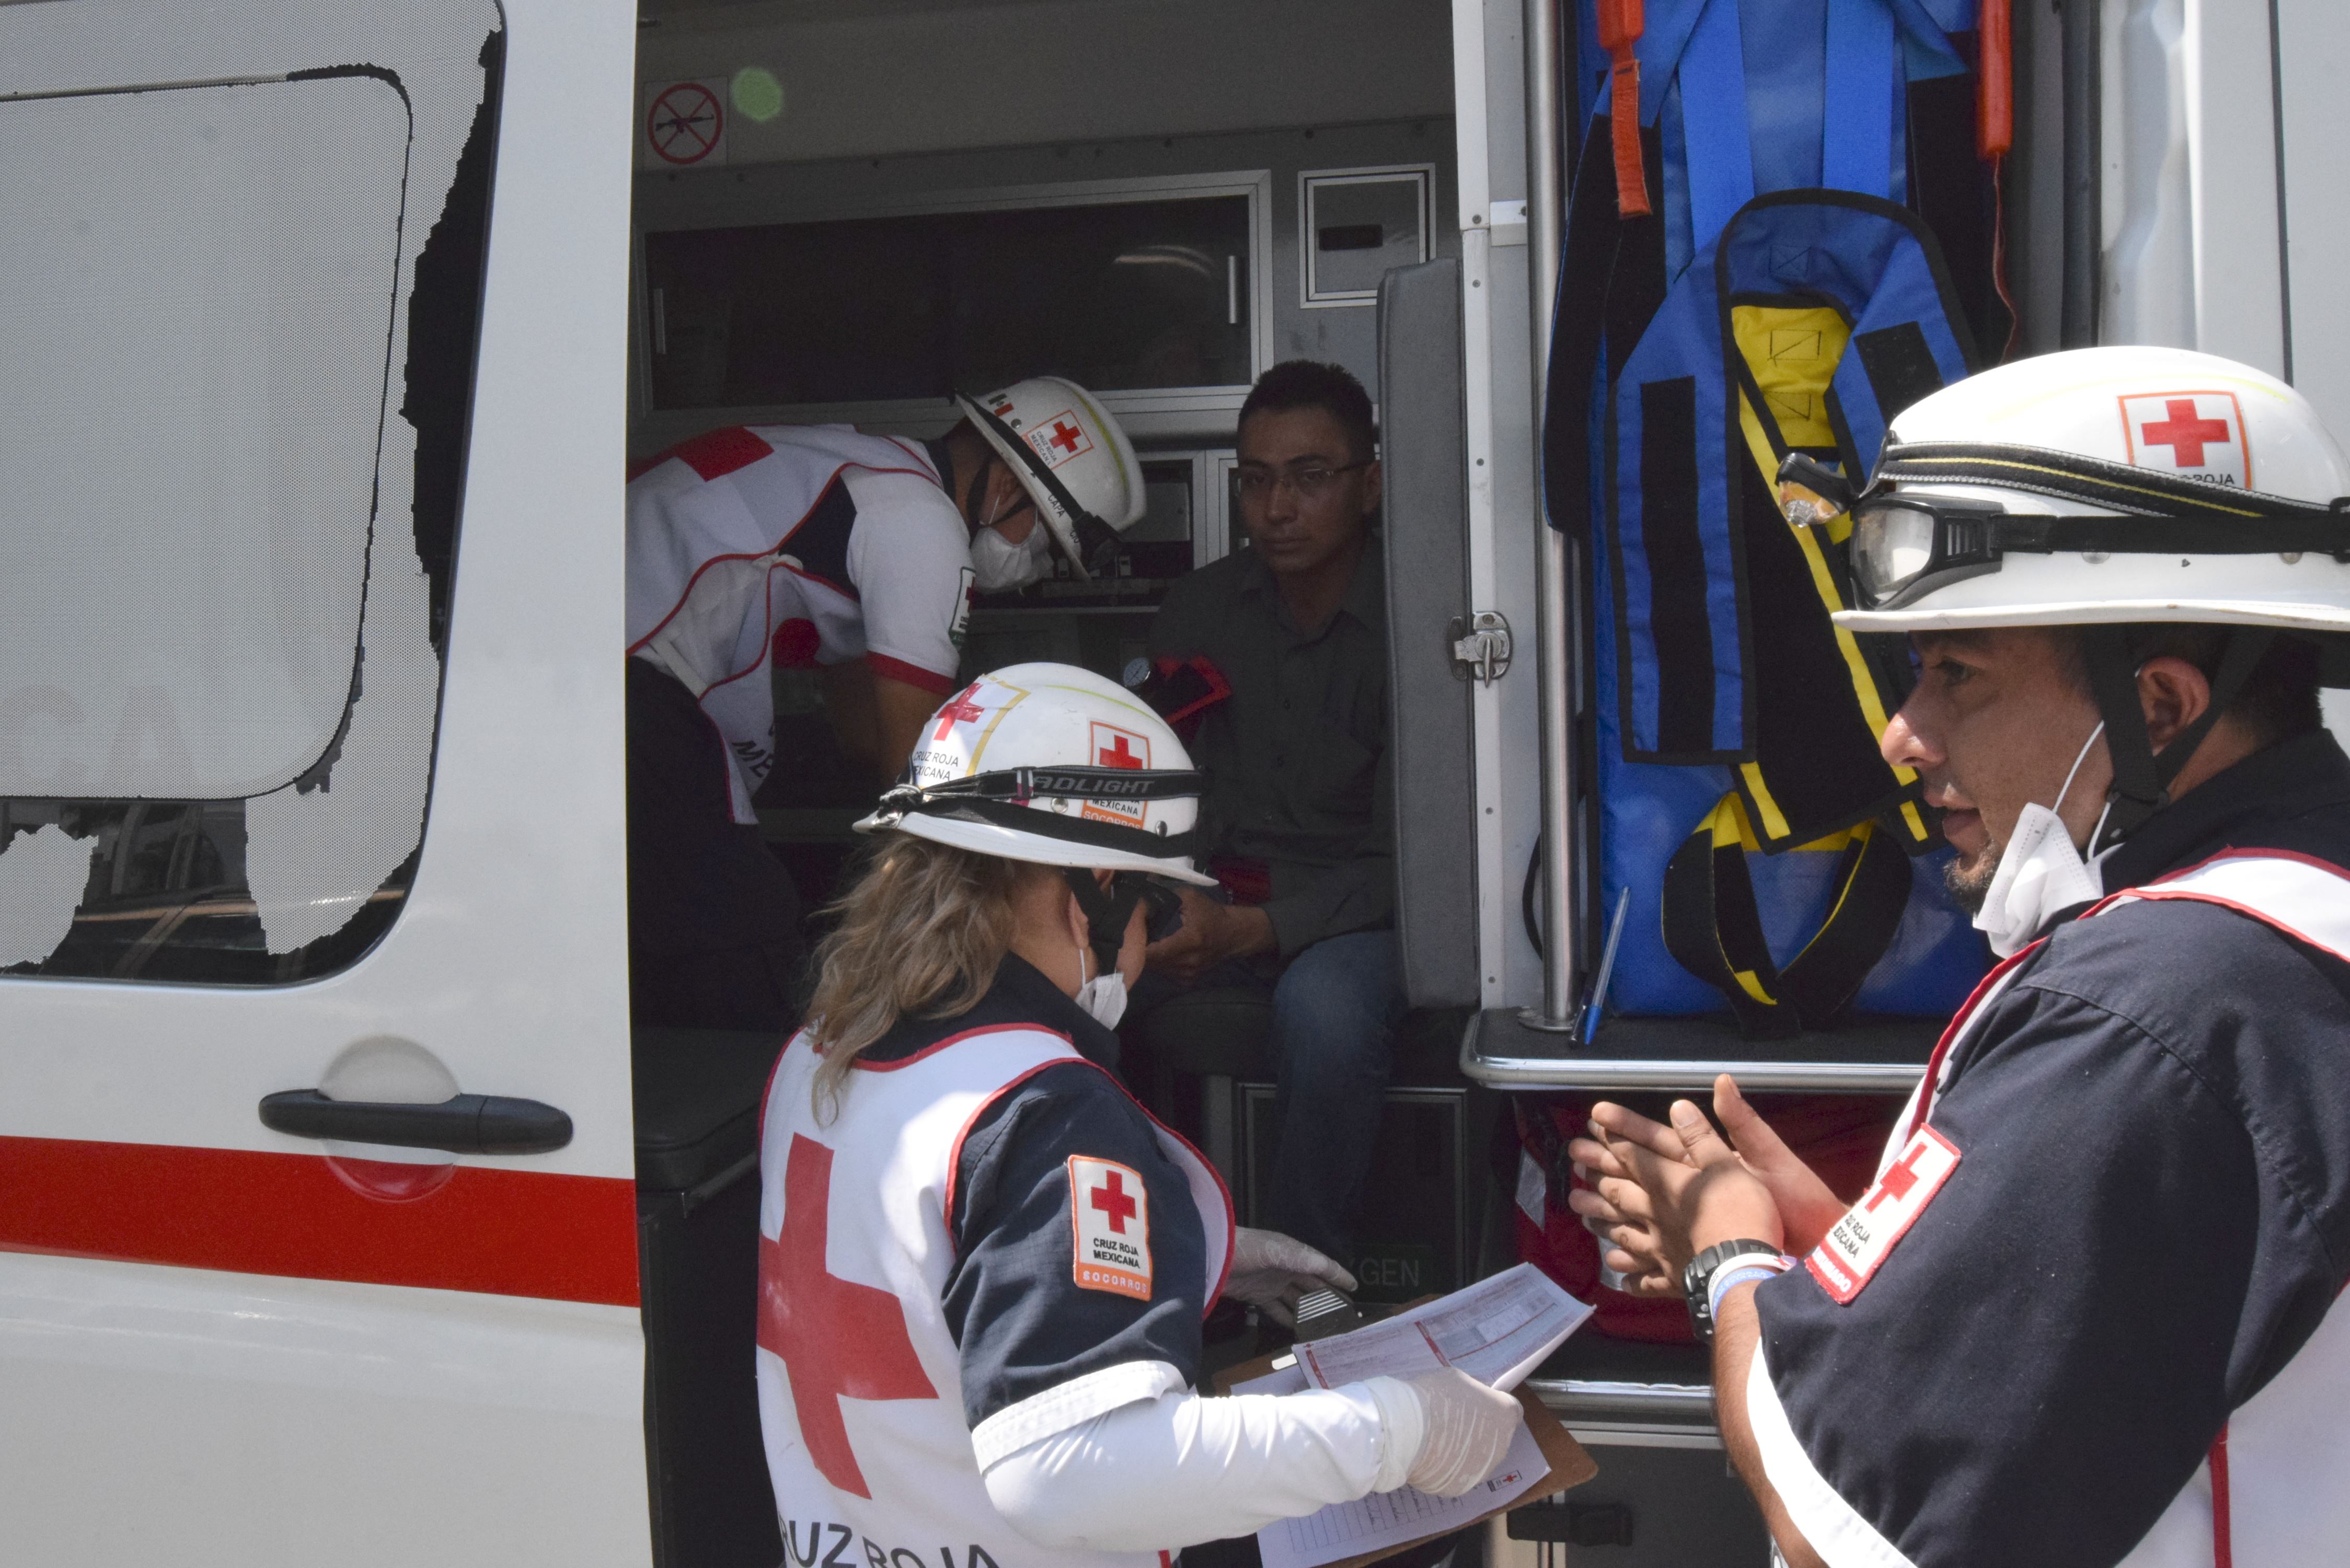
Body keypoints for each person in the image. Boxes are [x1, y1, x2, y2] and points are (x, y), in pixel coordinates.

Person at [1565, 345, 2350, 1567]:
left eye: (1956, 675)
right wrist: (1867, 1262)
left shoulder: (2149, 1012)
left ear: (2157, 707)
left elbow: (1850, 1518)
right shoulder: (2290, 939)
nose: (1901, 736)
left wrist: (1729, 1252)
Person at [754, 662, 1524, 1561]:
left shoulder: (822, 1050)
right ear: (1094, 889)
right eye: (1152, 908)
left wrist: (1190, 1248)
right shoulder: (1046, 1112)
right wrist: (1398, 1430)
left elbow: (927, 1272)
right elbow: (1068, 1472)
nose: (1150, 949)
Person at [623, 379, 1144, 1028]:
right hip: (629, 678)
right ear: (1007, 487)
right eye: (1043, 544)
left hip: (596, 660)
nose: (1032, 569)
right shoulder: (922, 525)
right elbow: (914, 780)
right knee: (741, 937)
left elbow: (864, 741)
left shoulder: (867, 472)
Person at [1131, 360, 1402, 1262]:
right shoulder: (1200, 608)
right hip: (1208, 896)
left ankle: (1307, 1292)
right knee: (1063, 974)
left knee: (1324, 1010)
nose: (1277, 507)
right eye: (1256, 480)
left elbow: (1423, 862)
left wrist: (1251, 930)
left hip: (1359, 917)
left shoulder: (1425, 614)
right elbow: (1157, 800)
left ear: (1368, 485)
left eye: (1309, 478)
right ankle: (1118, 1272)